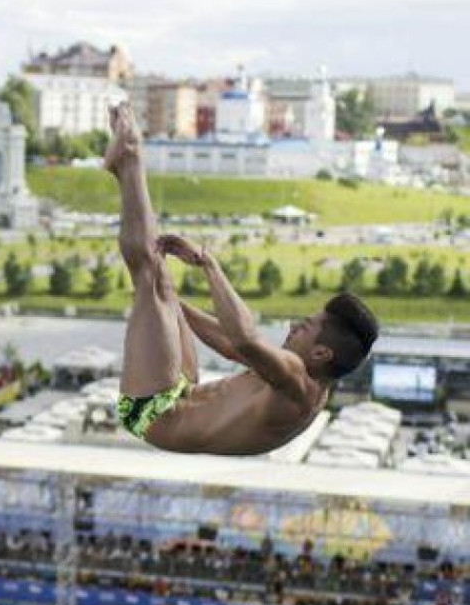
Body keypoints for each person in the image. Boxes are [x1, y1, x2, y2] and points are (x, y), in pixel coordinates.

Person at [104, 102, 378, 456]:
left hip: (154, 412)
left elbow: (245, 339)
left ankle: (129, 157)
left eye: (307, 326)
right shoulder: (290, 373)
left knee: (148, 274)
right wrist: (170, 305)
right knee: (158, 281)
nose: (296, 325)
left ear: (322, 352)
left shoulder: (301, 388)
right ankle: (124, 169)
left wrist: (209, 265)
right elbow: (233, 345)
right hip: (180, 393)